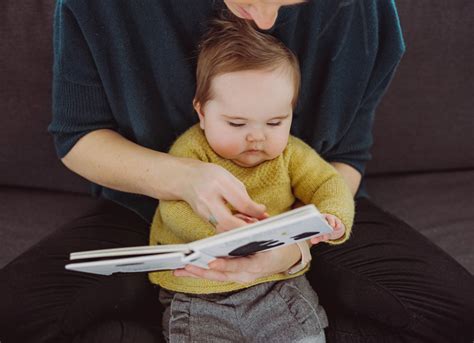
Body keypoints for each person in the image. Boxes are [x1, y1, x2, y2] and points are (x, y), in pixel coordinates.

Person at [0, 0, 472, 342]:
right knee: (16, 315)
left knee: (457, 313)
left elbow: (345, 160)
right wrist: (185, 180)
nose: (267, 20)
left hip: (301, 217)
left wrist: (297, 244)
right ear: (200, 111)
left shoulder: (363, 13)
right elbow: (77, 137)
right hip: (144, 212)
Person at [150, 16, 354, 342]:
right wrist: (225, 233)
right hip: (199, 290)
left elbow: (329, 183)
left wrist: (334, 215)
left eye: (274, 122)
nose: (256, 137)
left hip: (275, 284)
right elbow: (174, 209)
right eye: (236, 124)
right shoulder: (190, 153)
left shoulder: (291, 154)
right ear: (202, 113)